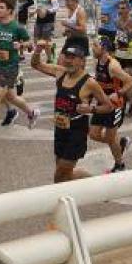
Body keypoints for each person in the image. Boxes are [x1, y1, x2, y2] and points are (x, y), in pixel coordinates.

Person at [28, 40, 113, 182]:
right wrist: (37, 50)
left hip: (77, 131)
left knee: (59, 175)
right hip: (60, 129)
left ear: (82, 61)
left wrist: (91, 109)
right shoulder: (60, 72)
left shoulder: (89, 83)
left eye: (73, 58)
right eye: (66, 57)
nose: (68, 61)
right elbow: (36, 64)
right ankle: (96, 183)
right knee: (65, 174)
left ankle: (60, 199)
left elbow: (108, 106)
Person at [0, 1, 40, 148]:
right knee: (11, 97)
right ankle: (31, 113)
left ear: (10, 11)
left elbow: (30, 44)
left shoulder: (17, 28)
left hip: (11, 68)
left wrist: (22, 45)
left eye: (1, 7)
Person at [89, 37, 132, 172]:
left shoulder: (113, 65)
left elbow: (131, 82)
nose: (92, 48)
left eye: (95, 45)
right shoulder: (97, 62)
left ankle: (120, 165)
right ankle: (121, 143)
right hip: (102, 102)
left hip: (116, 105)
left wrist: (119, 93)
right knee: (93, 134)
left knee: (110, 137)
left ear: (103, 48)